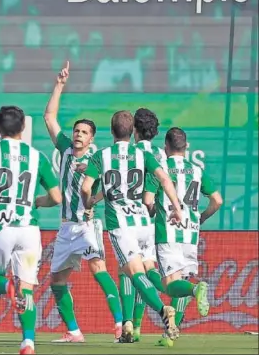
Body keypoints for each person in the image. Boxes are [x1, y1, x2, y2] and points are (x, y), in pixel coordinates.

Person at [0, 105, 62, 355]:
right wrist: (38, 202)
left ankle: (8, 286)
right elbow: (56, 197)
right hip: (29, 231)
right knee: (27, 289)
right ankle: (28, 342)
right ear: (23, 127)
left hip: (0, 228)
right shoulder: (36, 156)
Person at [81, 110, 183, 343]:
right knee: (148, 268)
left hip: (121, 224)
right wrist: (176, 207)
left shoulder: (102, 156)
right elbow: (165, 179)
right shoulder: (142, 154)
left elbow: (87, 188)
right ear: (132, 131)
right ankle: (133, 322)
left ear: (111, 131)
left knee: (134, 273)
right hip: (143, 222)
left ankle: (162, 311)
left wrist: (88, 203)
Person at [44, 61, 123, 343]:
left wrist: (93, 199)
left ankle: (119, 325)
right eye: (76, 130)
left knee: (98, 270)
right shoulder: (65, 149)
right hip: (66, 229)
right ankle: (74, 332)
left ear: (92, 139)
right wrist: (60, 84)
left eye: (84, 132)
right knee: (57, 282)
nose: (78, 134)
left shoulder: (98, 159)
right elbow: (49, 117)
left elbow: (110, 188)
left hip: (87, 226)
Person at [144, 126, 223, 347]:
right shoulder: (197, 171)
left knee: (172, 285)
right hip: (190, 234)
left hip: (168, 232)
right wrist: (201, 218)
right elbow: (217, 201)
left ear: (165, 147)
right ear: (186, 147)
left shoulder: (160, 169)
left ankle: (196, 289)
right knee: (180, 283)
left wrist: (152, 211)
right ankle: (171, 334)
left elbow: (149, 200)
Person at [117, 107, 168, 343]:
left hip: (130, 217)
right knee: (149, 269)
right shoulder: (161, 154)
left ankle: (128, 323)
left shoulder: (132, 151)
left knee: (128, 271)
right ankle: (137, 327)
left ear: (134, 130)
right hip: (152, 220)